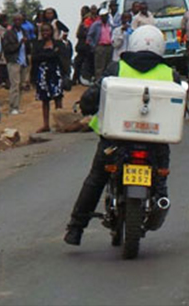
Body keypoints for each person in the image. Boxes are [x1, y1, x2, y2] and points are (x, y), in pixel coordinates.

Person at [64, 25, 179, 246]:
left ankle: (76, 229)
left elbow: (95, 94)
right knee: (161, 178)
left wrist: (85, 105)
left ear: (133, 43)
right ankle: (160, 202)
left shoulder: (117, 68)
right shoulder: (169, 73)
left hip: (116, 141)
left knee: (96, 179)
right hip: (155, 143)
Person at [30, 23, 66, 133]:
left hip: (55, 72)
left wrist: (45, 56)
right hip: (42, 74)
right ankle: (46, 124)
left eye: (47, 31)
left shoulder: (58, 43)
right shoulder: (37, 44)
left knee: (58, 97)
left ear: (52, 31)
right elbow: (35, 58)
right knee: (45, 99)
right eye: (43, 31)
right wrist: (51, 54)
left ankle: (59, 123)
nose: (45, 33)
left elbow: (61, 56)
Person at [3, 14, 28, 115]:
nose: (18, 21)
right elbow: (7, 48)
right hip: (14, 61)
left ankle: (17, 106)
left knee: (21, 85)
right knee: (14, 85)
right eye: (16, 20)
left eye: (20, 20)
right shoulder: (9, 33)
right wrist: (19, 43)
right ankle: (12, 107)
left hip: (23, 61)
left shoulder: (24, 31)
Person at [87, 8, 114, 82]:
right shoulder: (96, 25)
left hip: (109, 47)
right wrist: (94, 47)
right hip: (100, 47)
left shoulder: (110, 24)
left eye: (106, 16)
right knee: (99, 67)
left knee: (108, 66)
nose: (105, 17)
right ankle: (98, 82)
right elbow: (89, 36)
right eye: (103, 16)